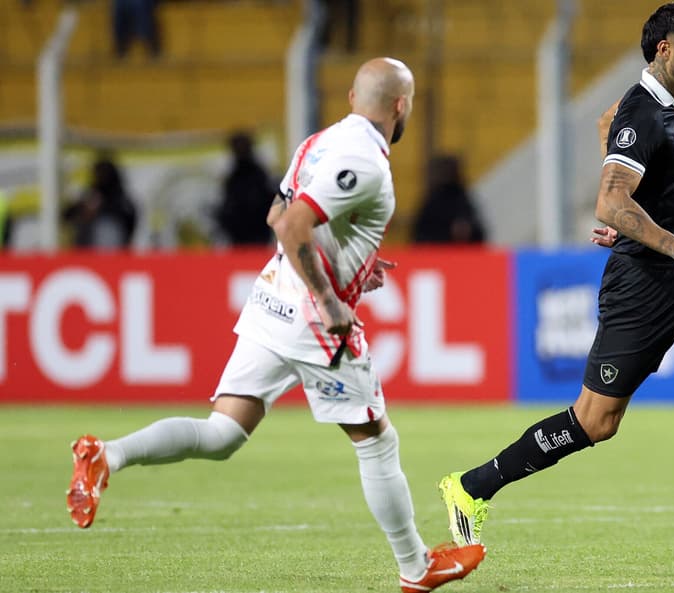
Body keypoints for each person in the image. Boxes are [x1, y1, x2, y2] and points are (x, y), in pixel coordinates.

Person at [66, 57, 485, 593]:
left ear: (354, 99)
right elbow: (292, 225)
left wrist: (353, 261)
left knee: (222, 433)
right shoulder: (367, 161)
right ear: (401, 106)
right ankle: (415, 565)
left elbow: (277, 215)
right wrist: (331, 299)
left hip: (271, 302)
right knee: (376, 440)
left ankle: (109, 454)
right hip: (314, 321)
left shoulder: (317, 143)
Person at [439, 3, 674, 575]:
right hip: (646, 286)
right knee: (595, 422)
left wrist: (629, 210)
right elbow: (610, 192)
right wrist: (658, 234)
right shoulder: (644, 110)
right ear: (663, 50)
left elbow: (610, 142)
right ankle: (472, 487)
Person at [62, 155, 138, 249]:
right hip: (86, 246)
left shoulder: (119, 197)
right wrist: (83, 210)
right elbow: (66, 215)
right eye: (97, 173)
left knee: (105, 226)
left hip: (113, 249)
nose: (99, 176)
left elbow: (129, 218)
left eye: (102, 173)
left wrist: (100, 209)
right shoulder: (91, 193)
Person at [215, 131, 277, 246]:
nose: (240, 150)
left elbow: (270, 199)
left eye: (243, 146)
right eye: (237, 147)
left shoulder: (260, 174)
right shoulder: (232, 177)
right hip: (239, 235)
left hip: (259, 232)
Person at [410, 155, 487, 244]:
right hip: (439, 254)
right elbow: (419, 237)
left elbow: (479, 234)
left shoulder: (463, 200)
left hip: (459, 254)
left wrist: (468, 230)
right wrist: (448, 235)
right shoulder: (433, 202)